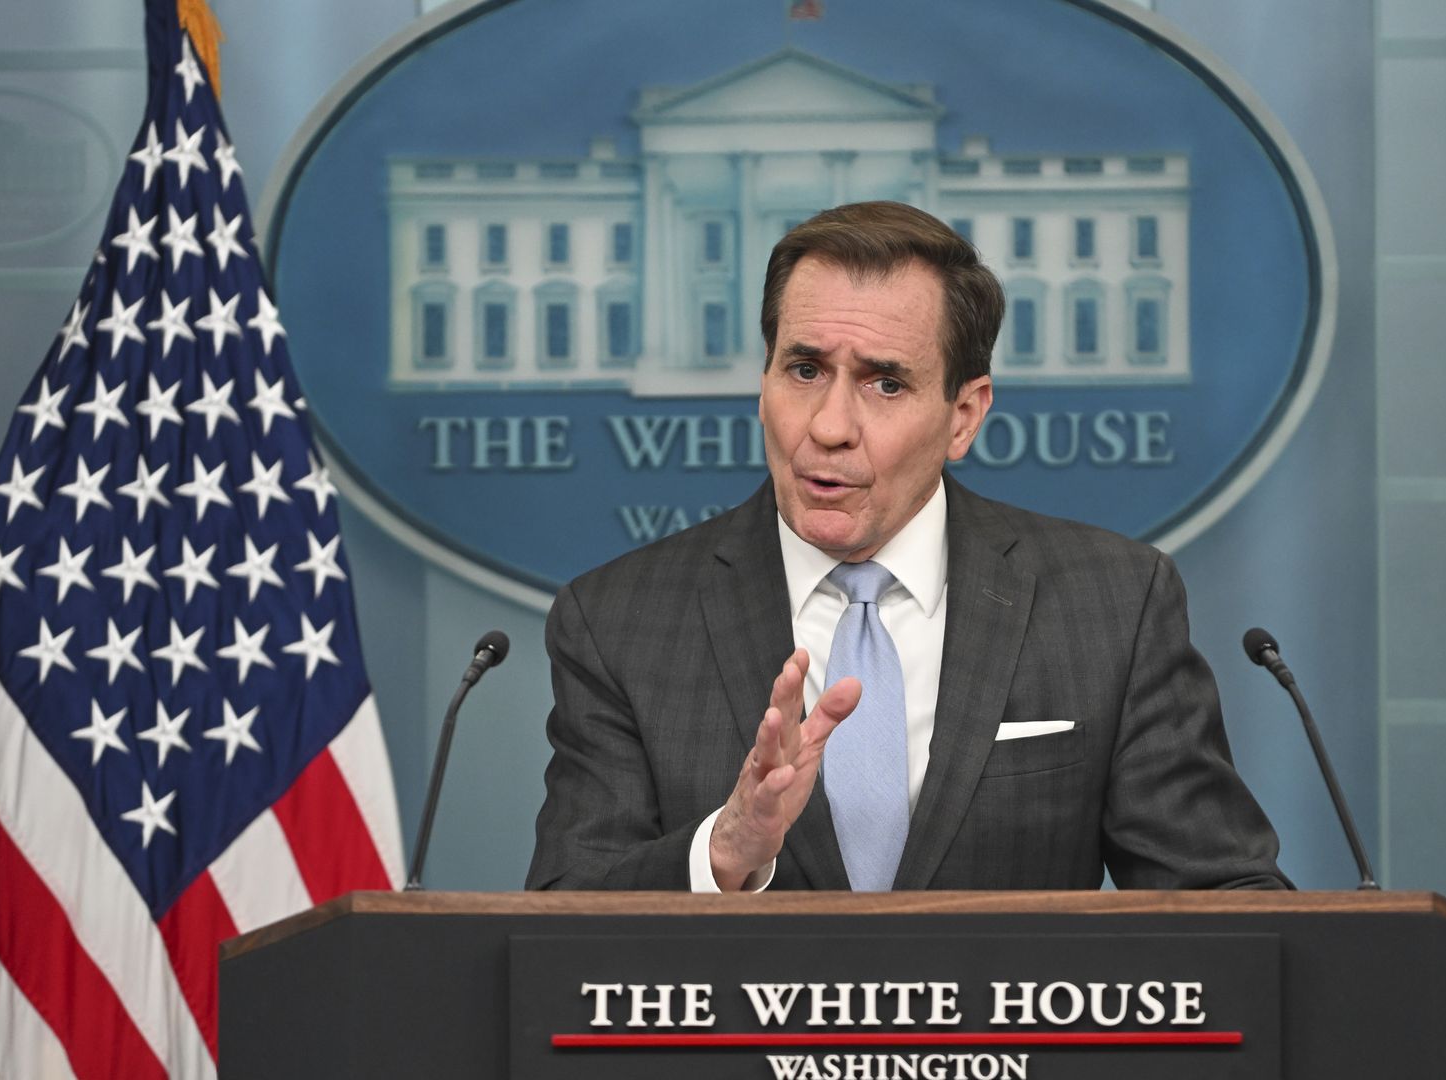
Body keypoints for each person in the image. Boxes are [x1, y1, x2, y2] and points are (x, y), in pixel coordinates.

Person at [526, 201, 1286, 892]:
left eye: (884, 383)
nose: (828, 426)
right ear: (762, 382)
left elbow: (1226, 907)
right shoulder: (619, 622)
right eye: (804, 369)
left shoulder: (1113, 606)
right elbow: (558, 929)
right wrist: (722, 853)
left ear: (964, 415)